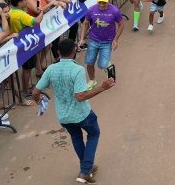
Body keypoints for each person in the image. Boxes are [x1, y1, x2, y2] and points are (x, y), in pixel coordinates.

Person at [33, 38, 115, 185]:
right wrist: (102, 87)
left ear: (58, 52)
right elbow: (80, 96)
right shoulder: (77, 70)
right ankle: (84, 172)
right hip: (82, 114)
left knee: (76, 138)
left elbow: (35, 92)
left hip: (64, 116)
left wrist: (39, 101)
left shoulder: (51, 69)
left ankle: (86, 167)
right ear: (74, 50)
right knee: (94, 134)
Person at [79, 0, 124, 89]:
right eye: (99, 2)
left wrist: (115, 40)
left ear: (108, 1)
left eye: (104, 2)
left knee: (102, 65)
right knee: (89, 62)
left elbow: (121, 24)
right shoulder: (91, 9)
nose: (102, 5)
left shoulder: (115, 11)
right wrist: (82, 39)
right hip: (93, 40)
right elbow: (85, 23)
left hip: (107, 42)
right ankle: (92, 80)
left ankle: (108, 65)